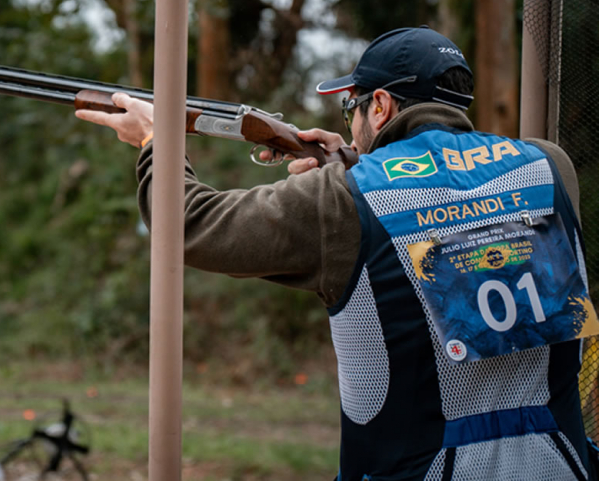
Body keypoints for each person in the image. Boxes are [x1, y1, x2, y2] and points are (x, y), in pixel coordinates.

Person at [75, 26, 597, 480]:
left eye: (352, 106)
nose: (348, 120)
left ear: (381, 106)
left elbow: (189, 224)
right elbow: (455, 190)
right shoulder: (551, 168)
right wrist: (352, 160)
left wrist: (152, 141)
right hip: (560, 465)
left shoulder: (341, 198)